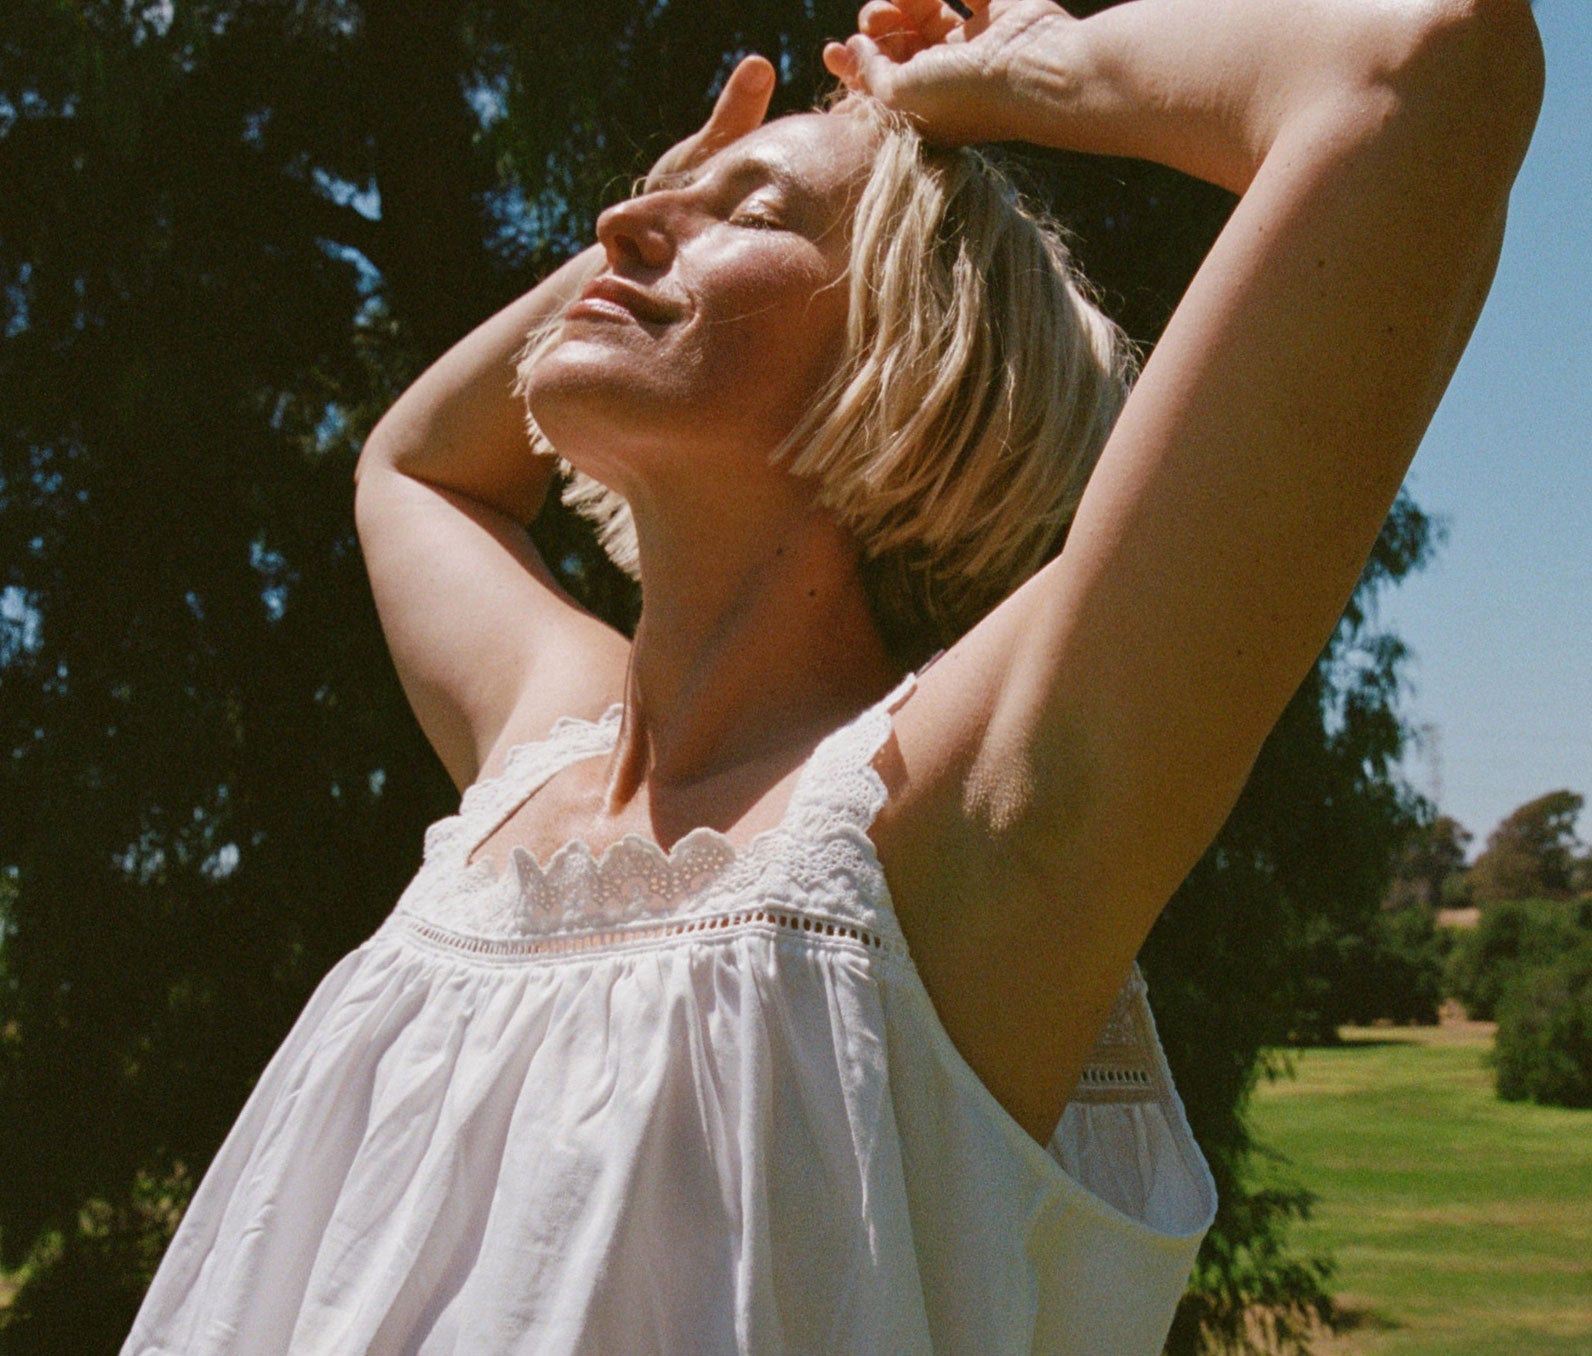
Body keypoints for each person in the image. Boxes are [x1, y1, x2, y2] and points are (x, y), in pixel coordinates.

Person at [121, 0, 1543, 1351]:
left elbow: (1424, 67)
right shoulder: (540, 756)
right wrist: (665, 226)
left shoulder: (959, 824)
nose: (623, 220)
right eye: (643, 203)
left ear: (915, 349)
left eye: (750, 215)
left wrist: (1039, 71)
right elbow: (415, 467)